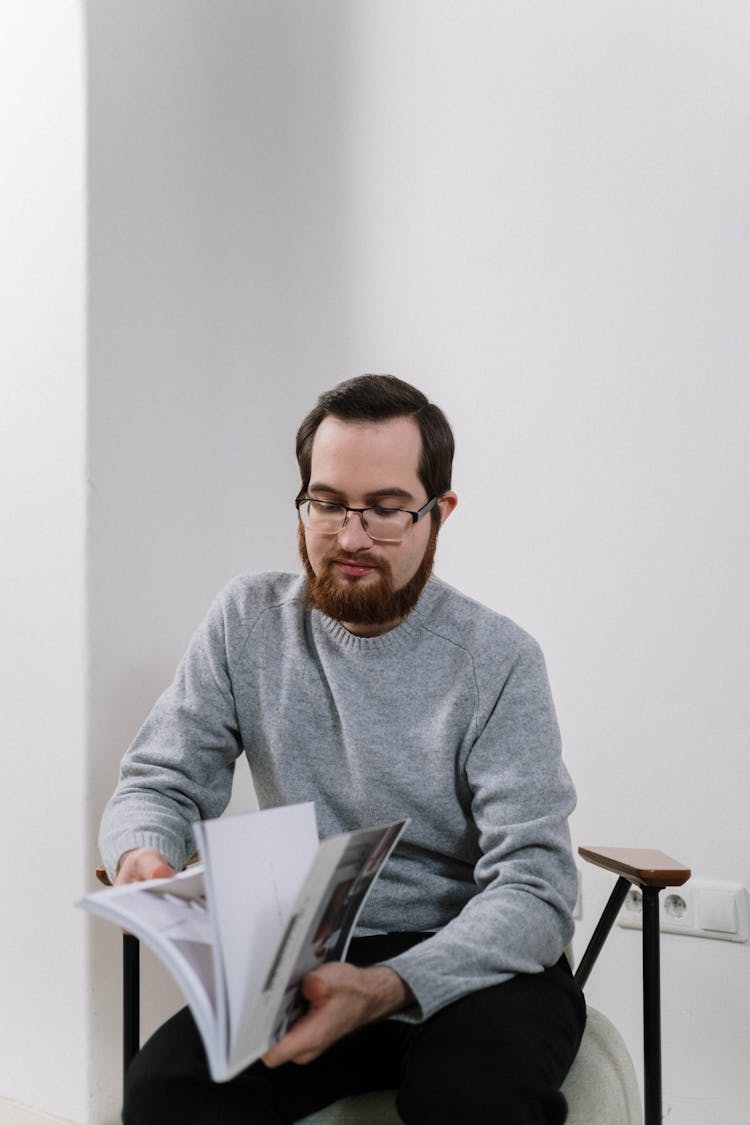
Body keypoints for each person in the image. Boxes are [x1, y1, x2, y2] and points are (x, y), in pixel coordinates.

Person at [100, 374, 586, 1125]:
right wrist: (146, 857)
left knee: (472, 1097)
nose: (351, 537)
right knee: (167, 1088)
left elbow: (537, 887)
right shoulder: (247, 621)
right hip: (310, 956)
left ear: (438, 513)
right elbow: (159, 779)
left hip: (476, 960)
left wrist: (393, 984)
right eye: (326, 503)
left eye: (386, 509)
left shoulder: (498, 658)